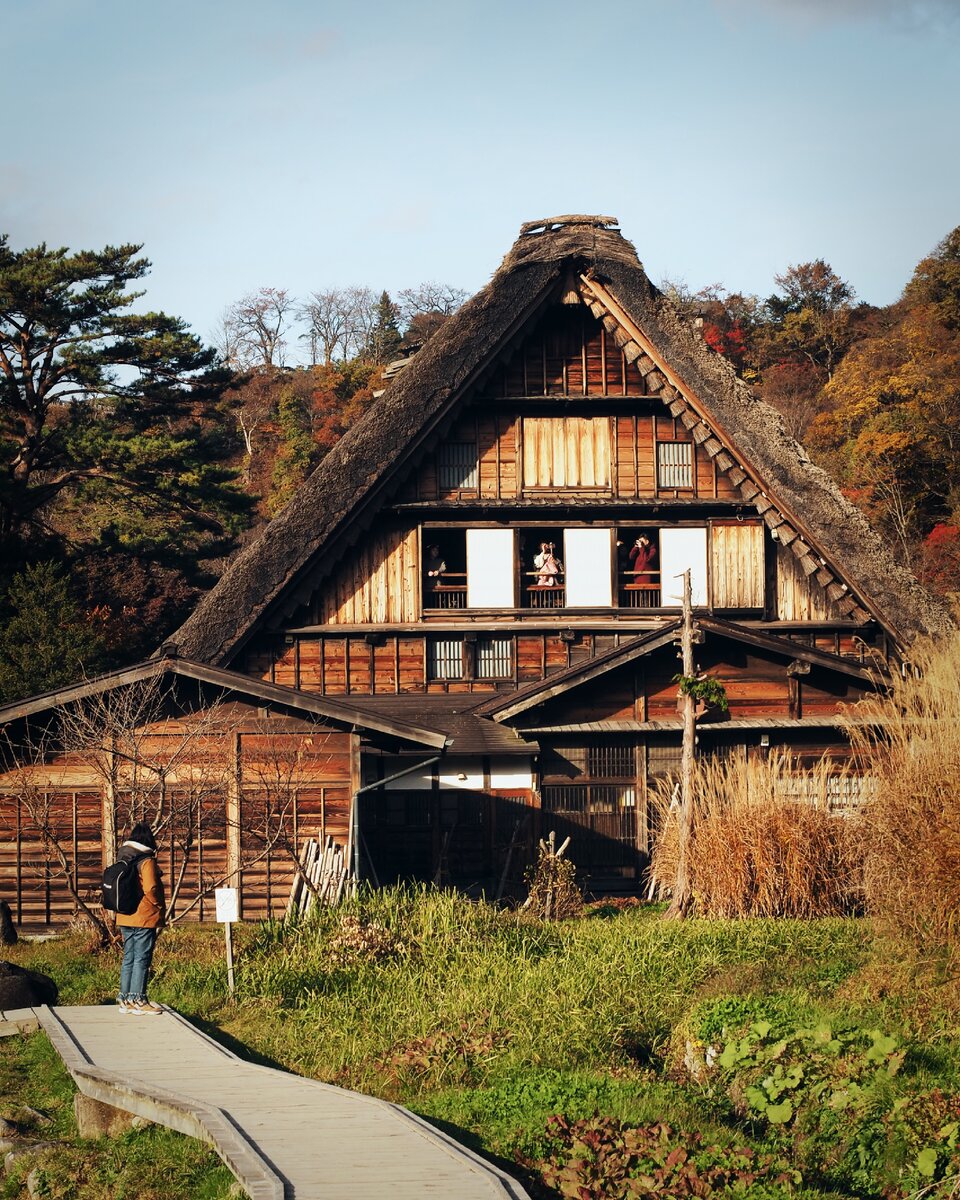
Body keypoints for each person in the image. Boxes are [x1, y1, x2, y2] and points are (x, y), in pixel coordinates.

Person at [115, 822, 165, 1015]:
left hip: (125, 916)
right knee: (142, 959)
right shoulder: (147, 861)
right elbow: (151, 887)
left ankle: (125, 999)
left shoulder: (123, 857)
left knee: (129, 957)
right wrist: (158, 905)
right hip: (144, 916)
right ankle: (139, 999)